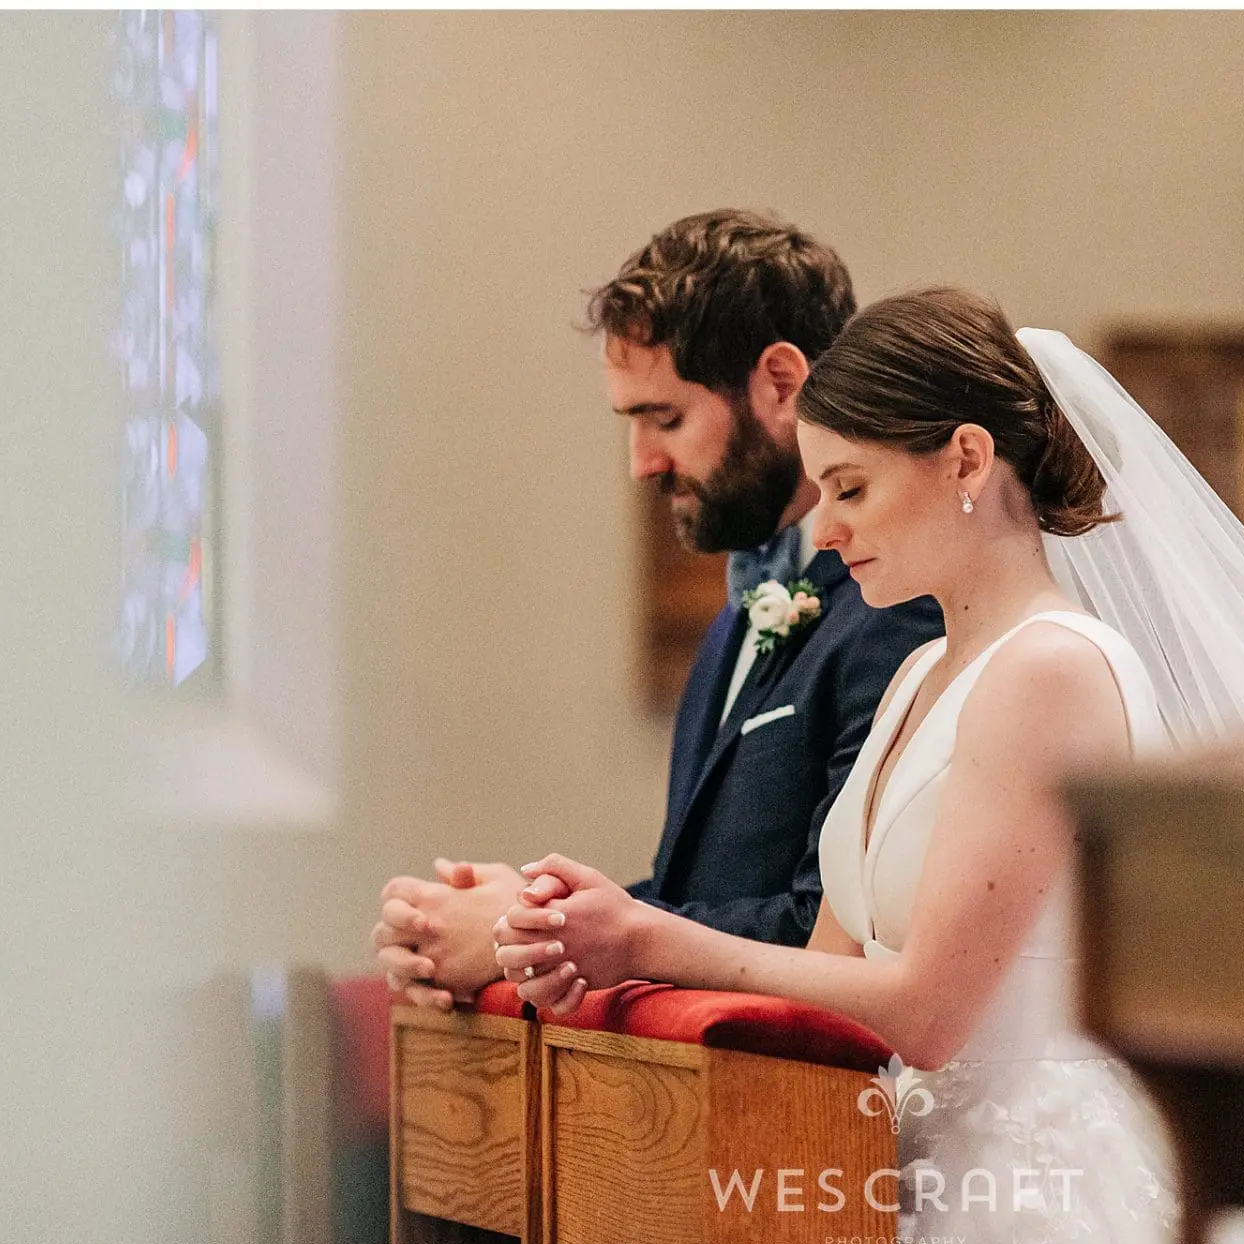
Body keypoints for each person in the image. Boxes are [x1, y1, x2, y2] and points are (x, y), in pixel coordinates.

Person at [493, 287, 1244, 1244]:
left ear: (965, 458)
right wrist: (599, 949)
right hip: (889, 1166)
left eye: (851, 488)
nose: (823, 529)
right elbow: (832, 967)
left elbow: (926, 1010)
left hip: (1030, 1199)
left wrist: (648, 933)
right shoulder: (920, 672)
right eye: (821, 490)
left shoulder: (1053, 669)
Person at [370, 211, 943, 1009]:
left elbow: (828, 933)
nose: (642, 465)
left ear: (781, 383)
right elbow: (698, 893)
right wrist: (530, 910)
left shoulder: (898, 607)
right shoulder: (739, 614)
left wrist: (531, 935)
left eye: (664, 418)